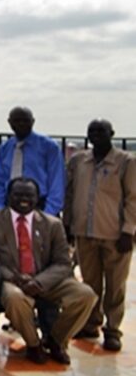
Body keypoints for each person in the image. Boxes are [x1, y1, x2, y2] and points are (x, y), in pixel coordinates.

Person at [0, 177, 97, 365]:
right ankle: (34, 345)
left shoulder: (52, 224)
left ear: (37, 198)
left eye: (29, 195)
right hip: (10, 280)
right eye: (18, 194)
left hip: (46, 280)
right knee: (15, 298)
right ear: (9, 196)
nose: (23, 199)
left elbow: (63, 263)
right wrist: (17, 279)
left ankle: (56, 341)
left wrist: (39, 282)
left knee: (86, 295)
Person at [66, 119, 136, 351]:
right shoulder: (79, 160)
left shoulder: (126, 162)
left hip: (114, 235)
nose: (96, 135)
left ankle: (113, 329)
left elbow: (133, 199)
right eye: (92, 131)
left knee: (115, 286)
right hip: (84, 232)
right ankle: (91, 322)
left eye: (101, 131)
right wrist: (67, 223)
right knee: (90, 283)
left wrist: (129, 230)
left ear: (111, 134)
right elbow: (70, 192)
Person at [0, 107, 65, 215]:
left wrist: (47, 214)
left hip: (40, 206)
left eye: (25, 121)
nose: (21, 124)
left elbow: (57, 184)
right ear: (10, 122)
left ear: (33, 121)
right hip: (10, 206)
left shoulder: (49, 147)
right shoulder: (4, 149)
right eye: (17, 121)